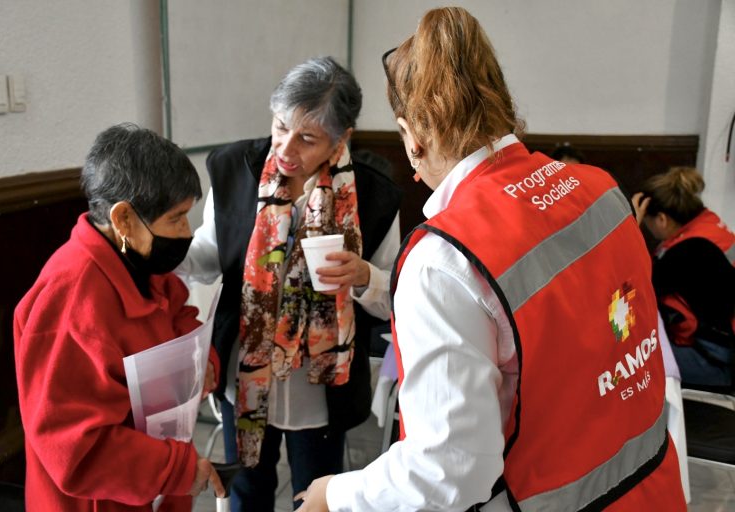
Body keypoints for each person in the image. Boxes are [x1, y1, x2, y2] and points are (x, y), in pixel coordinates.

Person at [298, 7, 685, 511]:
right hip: (653, 487)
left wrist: (337, 493)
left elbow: (448, 472)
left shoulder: (444, 258)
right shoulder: (601, 189)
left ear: (411, 134)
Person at [176, 56, 402, 511]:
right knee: (246, 492)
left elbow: (393, 297)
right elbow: (208, 254)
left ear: (342, 138)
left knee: (314, 496)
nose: (285, 147)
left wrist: (363, 277)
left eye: (307, 138)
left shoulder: (375, 196)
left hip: (320, 387)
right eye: (280, 127)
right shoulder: (234, 168)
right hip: (246, 375)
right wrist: (161, 247)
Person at [14, 123, 225, 511]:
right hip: (103, 499)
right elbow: (76, 448)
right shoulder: (69, 301)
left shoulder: (136, 258)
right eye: (176, 218)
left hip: (155, 476)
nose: (186, 232)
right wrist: (176, 469)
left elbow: (179, 313)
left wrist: (202, 361)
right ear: (124, 218)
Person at [632, 166, 735, 390]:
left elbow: (634, 282)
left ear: (661, 219)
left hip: (721, 362)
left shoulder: (684, 253)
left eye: (647, 222)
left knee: (632, 364)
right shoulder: (709, 226)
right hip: (726, 347)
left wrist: (632, 225)